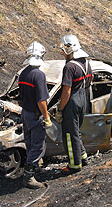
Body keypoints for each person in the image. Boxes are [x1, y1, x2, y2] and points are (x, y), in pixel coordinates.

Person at [55, 34, 93, 175]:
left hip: (72, 101)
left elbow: (66, 91)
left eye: (63, 50)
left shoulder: (70, 67)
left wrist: (60, 108)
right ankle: (82, 157)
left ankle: (74, 165)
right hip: (83, 98)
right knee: (76, 131)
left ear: (69, 50)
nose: (61, 53)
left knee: (70, 135)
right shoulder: (87, 62)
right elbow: (91, 79)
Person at [19, 41, 52, 189]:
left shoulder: (23, 73)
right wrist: (46, 117)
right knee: (38, 146)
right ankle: (28, 177)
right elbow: (41, 100)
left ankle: (34, 167)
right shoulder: (38, 75)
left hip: (25, 112)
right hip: (34, 114)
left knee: (30, 143)